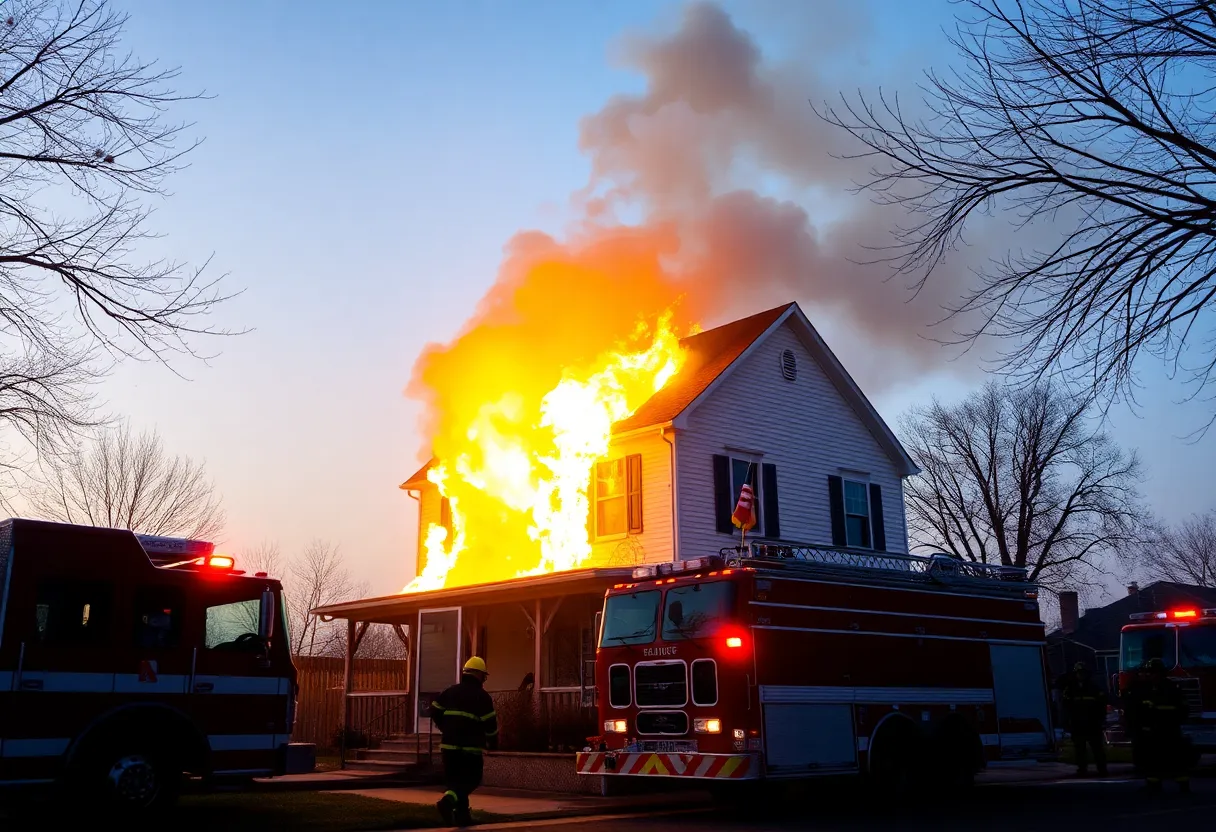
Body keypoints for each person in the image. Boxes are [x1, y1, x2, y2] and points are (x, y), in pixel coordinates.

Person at [431, 656, 499, 825]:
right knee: (472, 779)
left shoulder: (450, 692)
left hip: (448, 746)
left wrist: (445, 727)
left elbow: (435, 710)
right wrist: (493, 742)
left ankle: (462, 817)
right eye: (484, 675)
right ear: (478, 675)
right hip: (470, 748)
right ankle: (447, 803)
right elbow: (490, 724)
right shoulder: (482, 697)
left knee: (455, 782)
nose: (484, 679)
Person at [1123, 657, 1190, 794]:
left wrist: (1172, 720)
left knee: (1175, 757)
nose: (1150, 675)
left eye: (1153, 672)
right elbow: (1137, 710)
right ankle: (1154, 784)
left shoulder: (1172, 688)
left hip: (1169, 730)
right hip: (1152, 730)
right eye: (1149, 672)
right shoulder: (1144, 689)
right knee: (1152, 759)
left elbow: (1183, 709)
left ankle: (1183, 784)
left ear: (1161, 673)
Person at [1060, 662, 1108, 776]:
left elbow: (1101, 705)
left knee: (1097, 748)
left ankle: (1102, 769)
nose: (1081, 675)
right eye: (1079, 673)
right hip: (1078, 725)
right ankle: (1082, 769)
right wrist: (1068, 721)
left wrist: (1101, 720)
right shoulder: (1070, 689)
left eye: (1083, 673)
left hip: (1093, 724)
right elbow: (1066, 707)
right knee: (1079, 749)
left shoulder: (1094, 688)